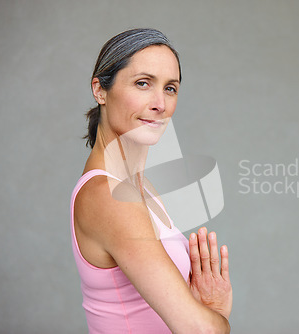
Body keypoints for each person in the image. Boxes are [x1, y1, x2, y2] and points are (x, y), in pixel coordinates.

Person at [70, 28, 232, 333]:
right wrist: (217, 315)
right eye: (143, 83)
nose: (160, 103)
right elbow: (201, 330)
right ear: (100, 90)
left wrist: (204, 307)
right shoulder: (110, 195)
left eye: (170, 88)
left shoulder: (136, 187)